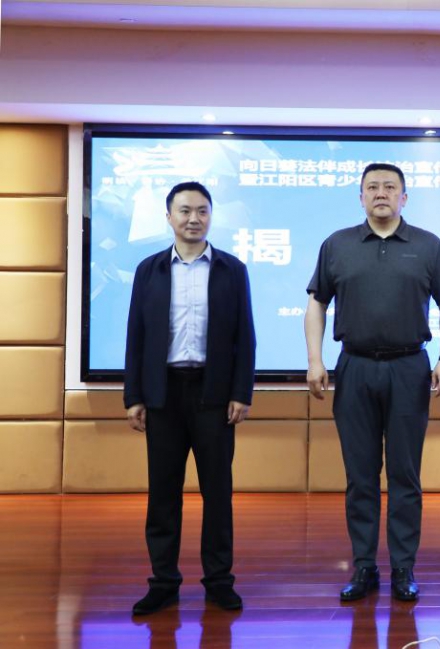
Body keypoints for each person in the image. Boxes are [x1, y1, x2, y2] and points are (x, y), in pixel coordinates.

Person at [304, 162, 440, 602]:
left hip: (409, 367)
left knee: (405, 474)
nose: (381, 193)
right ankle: (364, 567)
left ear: (404, 197)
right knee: (360, 475)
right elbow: (316, 304)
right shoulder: (337, 245)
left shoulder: (428, 245)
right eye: (372, 187)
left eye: (390, 187)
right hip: (354, 367)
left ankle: (404, 568)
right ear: (360, 197)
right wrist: (314, 360)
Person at [124, 181, 256, 615]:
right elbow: (136, 336)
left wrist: (240, 392)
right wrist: (134, 396)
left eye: (201, 211)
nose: (193, 218)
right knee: (163, 493)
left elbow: (245, 337)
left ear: (211, 216)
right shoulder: (149, 270)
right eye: (184, 211)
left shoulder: (232, 269)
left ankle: (219, 581)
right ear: (169, 217)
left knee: (218, 493)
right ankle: (163, 582)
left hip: (213, 394)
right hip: (162, 394)